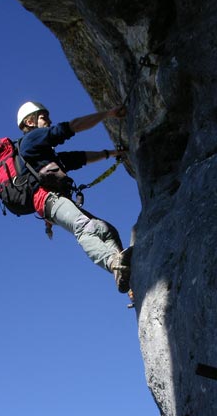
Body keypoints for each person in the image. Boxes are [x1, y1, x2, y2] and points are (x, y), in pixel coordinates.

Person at [16, 101, 132, 293]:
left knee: (108, 231)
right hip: (49, 199)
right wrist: (109, 113)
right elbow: (72, 126)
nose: (49, 120)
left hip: (53, 201)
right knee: (85, 227)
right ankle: (114, 263)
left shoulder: (43, 154)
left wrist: (111, 153)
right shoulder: (32, 140)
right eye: (44, 117)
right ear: (29, 121)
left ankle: (127, 278)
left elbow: (79, 158)